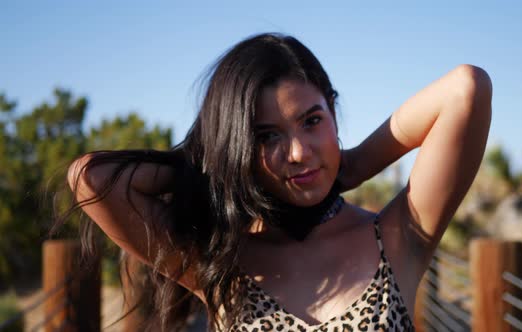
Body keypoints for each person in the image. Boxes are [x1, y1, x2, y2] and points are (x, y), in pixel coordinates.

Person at [60, 33, 492, 331]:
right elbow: (91, 178)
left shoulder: (395, 237)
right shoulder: (219, 263)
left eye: (312, 121)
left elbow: (465, 90)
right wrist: (224, 162)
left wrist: (353, 165)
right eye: (266, 136)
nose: (299, 152)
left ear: (334, 113)